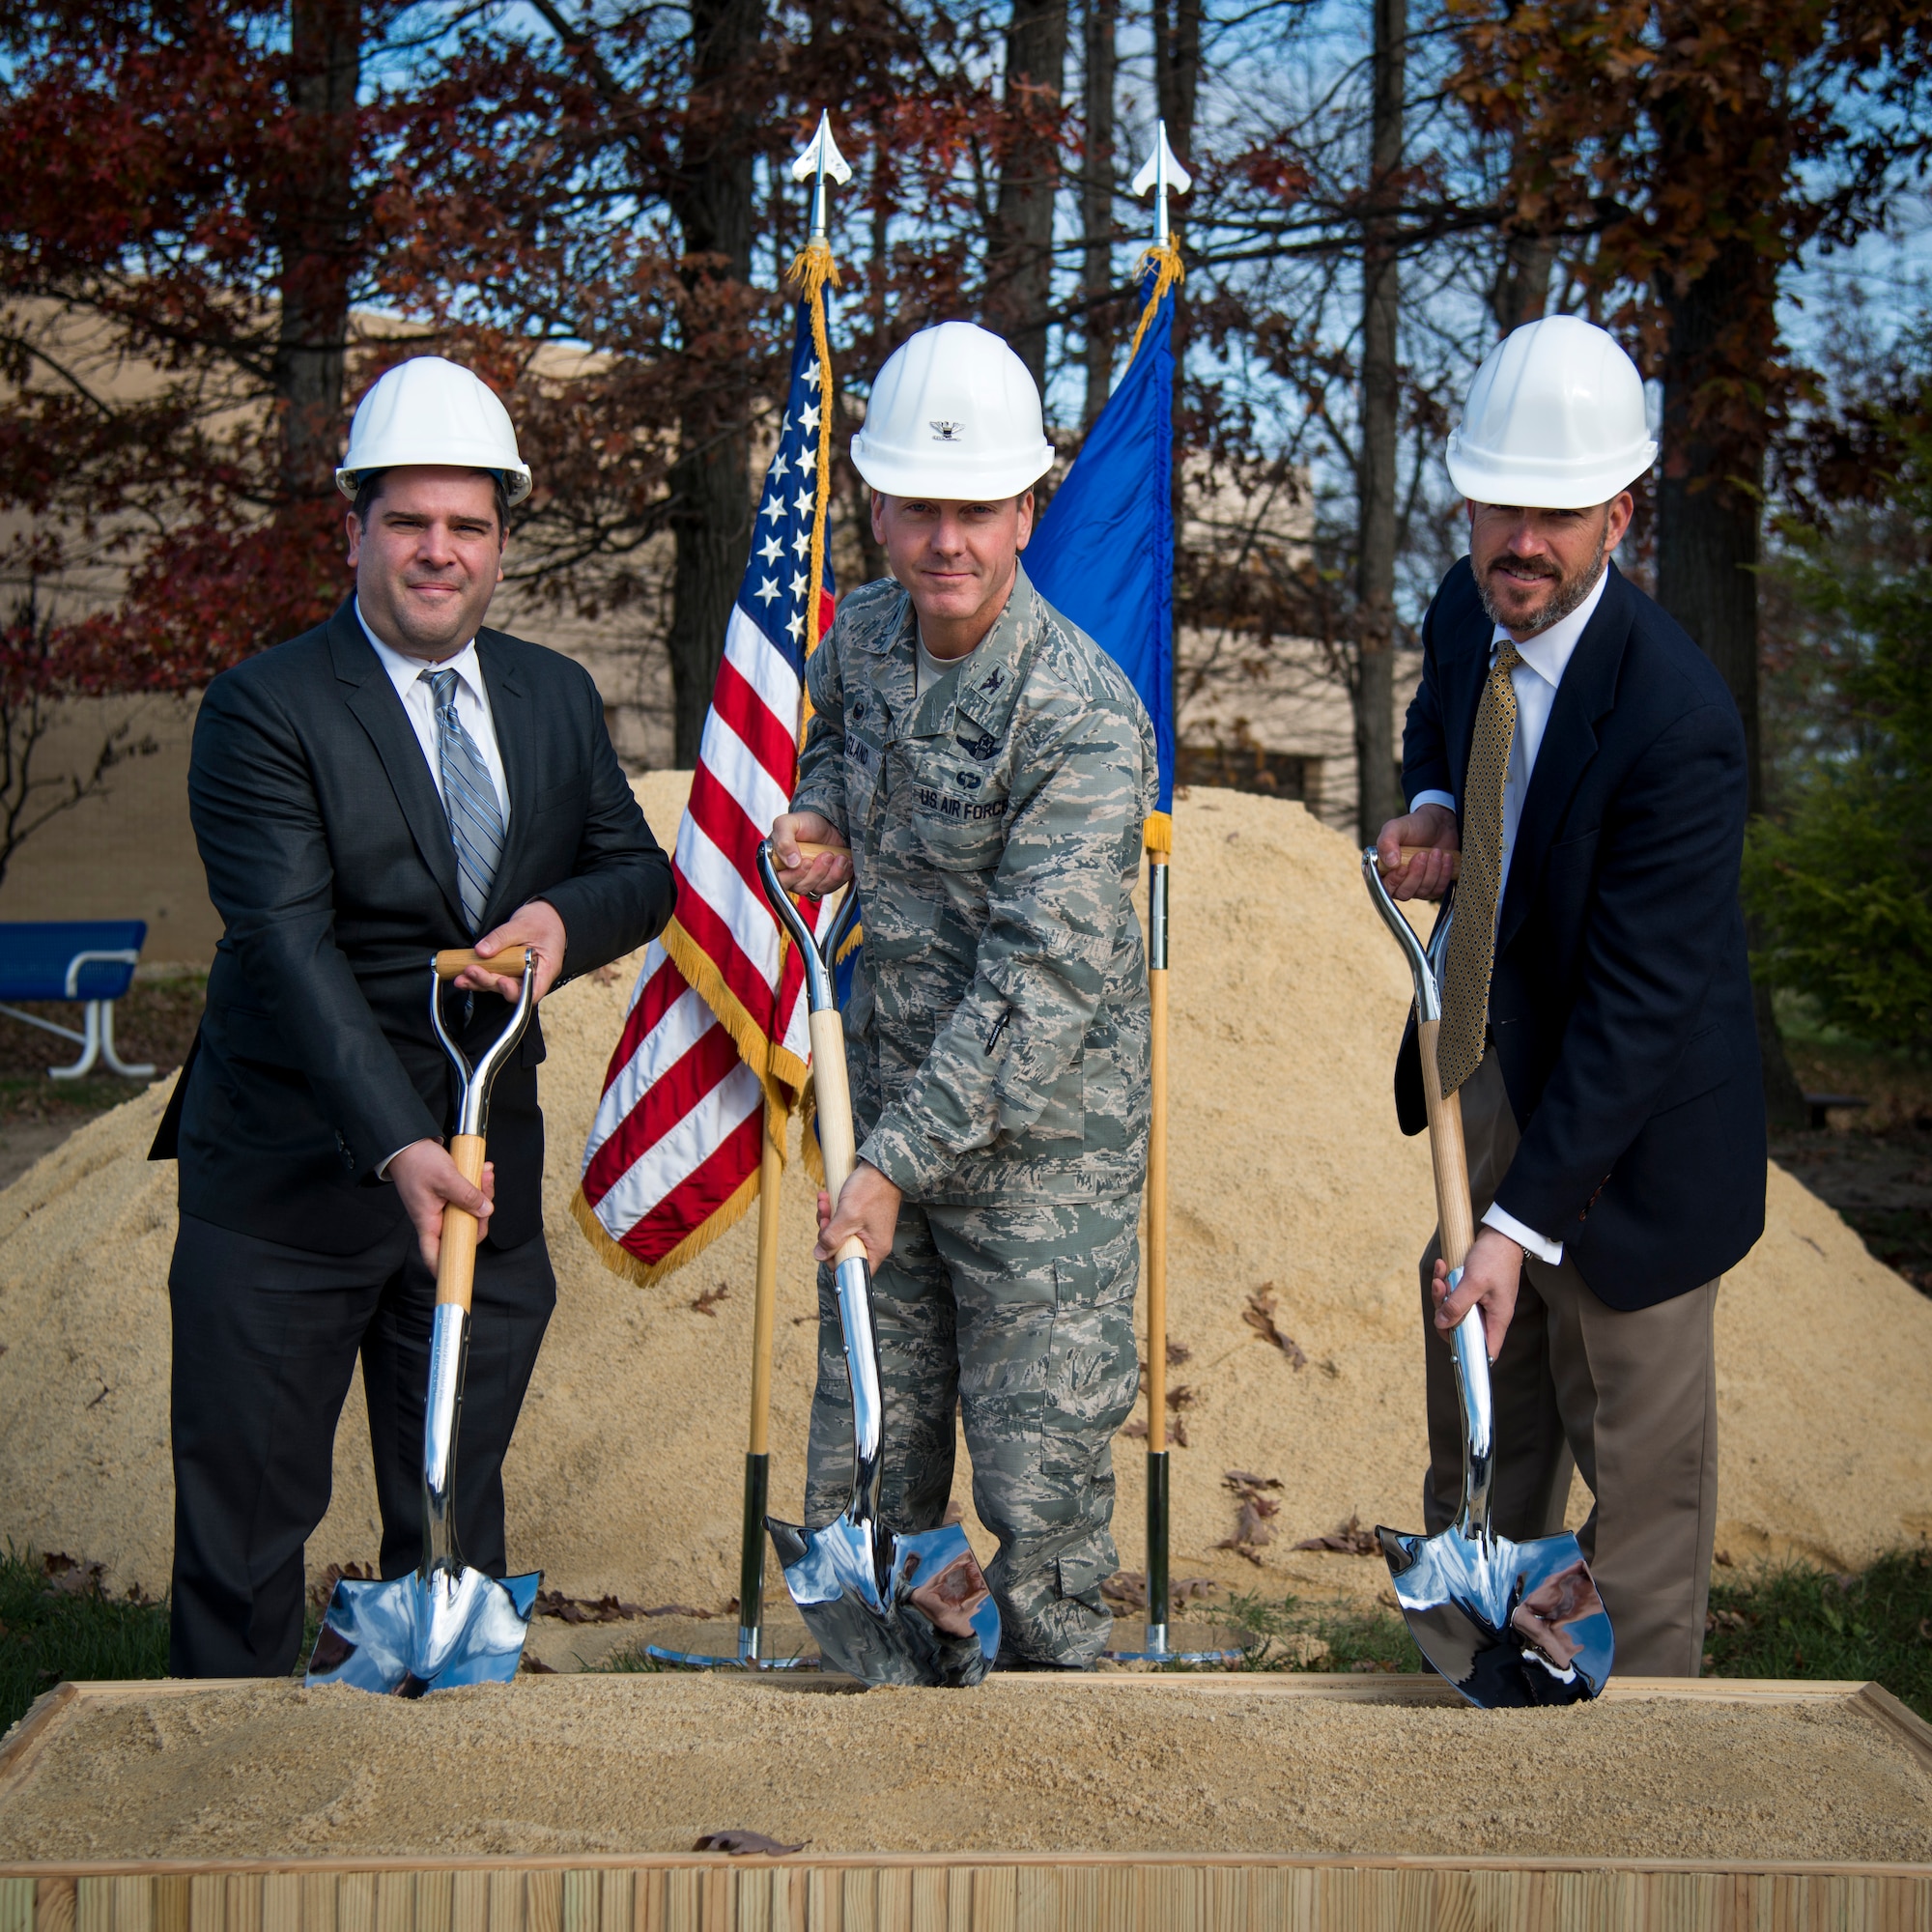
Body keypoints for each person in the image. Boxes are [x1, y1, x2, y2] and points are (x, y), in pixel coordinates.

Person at [152, 355, 673, 1676]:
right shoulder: (265, 707)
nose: (438, 553)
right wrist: (398, 1148)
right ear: (355, 529)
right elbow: (286, 946)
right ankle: (220, 1808)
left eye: (467, 526)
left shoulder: (552, 695)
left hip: (485, 1166)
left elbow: (638, 871)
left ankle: (433, 1793)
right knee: (248, 1531)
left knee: (451, 1521)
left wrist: (563, 923)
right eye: (408, 522)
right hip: (291, 1178)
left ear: (501, 541)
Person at [1378, 315, 1767, 1677]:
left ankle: (1642, 1736)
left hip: (1643, 1124)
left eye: (1553, 513)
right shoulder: (1466, 595)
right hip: (1493, 1052)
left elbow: (1637, 1012)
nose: (1518, 542)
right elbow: (1446, 707)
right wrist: (1434, 796)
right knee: (1487, 1395)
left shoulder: (1678, 724)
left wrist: (1521, 1221)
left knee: (1638, 1466)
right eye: (1496, 505)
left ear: (1620, 510)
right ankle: (1464, 1678)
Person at [771, 322, 1157, 1669]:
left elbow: (1037, 982)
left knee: (1035, 1496)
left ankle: (1055, 1754)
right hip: (886, 1110)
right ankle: (876, 1726)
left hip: (1040, 1153)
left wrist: (887, 1163)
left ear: (1028, 512)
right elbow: (827, 743)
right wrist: (817, 816)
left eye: (979, 510)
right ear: (875, 509)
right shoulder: (864, 637)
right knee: (870, 1455)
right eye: (921, 509)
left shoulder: (1084, 717)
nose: (949, 541)